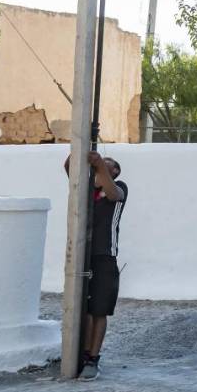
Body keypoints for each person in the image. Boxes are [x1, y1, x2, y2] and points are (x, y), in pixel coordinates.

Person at [61, 149, 127, 380]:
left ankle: (92, 358)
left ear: (114, 171)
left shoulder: (120, 189)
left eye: (106, 164)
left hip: (104, 256)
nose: (98, 165)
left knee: (99, 310)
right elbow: (69, 167)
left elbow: (113, 194)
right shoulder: (86, 189)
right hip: (81, 254)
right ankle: (78, 354)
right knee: (82, 309)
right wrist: (79, 147)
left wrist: (100, 164)